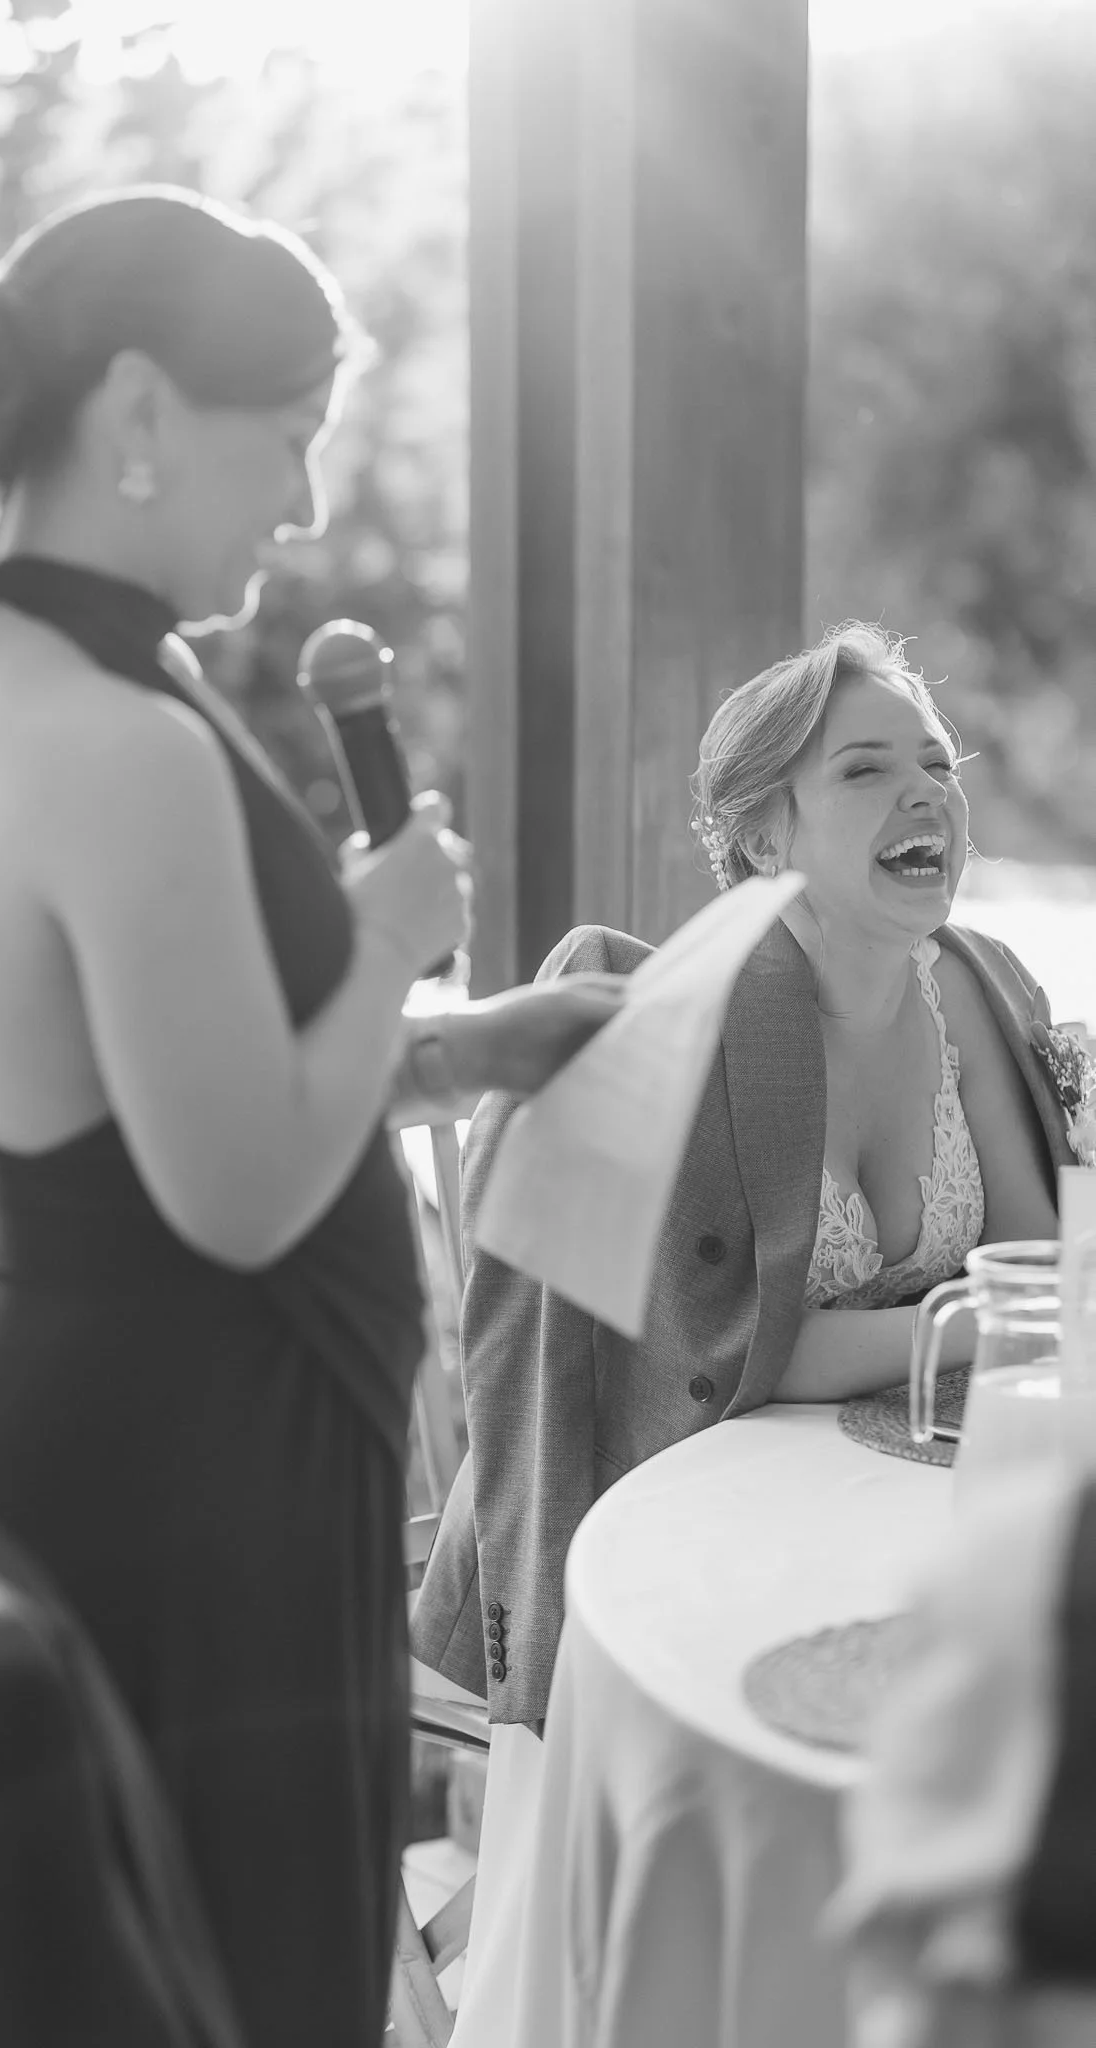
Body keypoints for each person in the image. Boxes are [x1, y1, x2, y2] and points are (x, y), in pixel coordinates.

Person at [0, 186, 625, 2048]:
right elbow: (234, 1190)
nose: (304, 504)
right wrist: (394, 932)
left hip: (171, 1438)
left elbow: (166, 1115)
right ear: (143, 413)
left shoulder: (9, 671)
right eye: (289, 438)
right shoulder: (111, 735)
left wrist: (464, 1051)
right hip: (176, 1487)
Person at [410, 621, 1078, 2048]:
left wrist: (956, 1331)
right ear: (762, 836)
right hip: (675, 1498)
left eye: (938, 764)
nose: (927, 796)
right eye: (866, 769)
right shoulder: (694, 1024)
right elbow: (743, 1357)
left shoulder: (972, 987)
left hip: (892, 1491)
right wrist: (964, 1339)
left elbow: (1041, 1268)